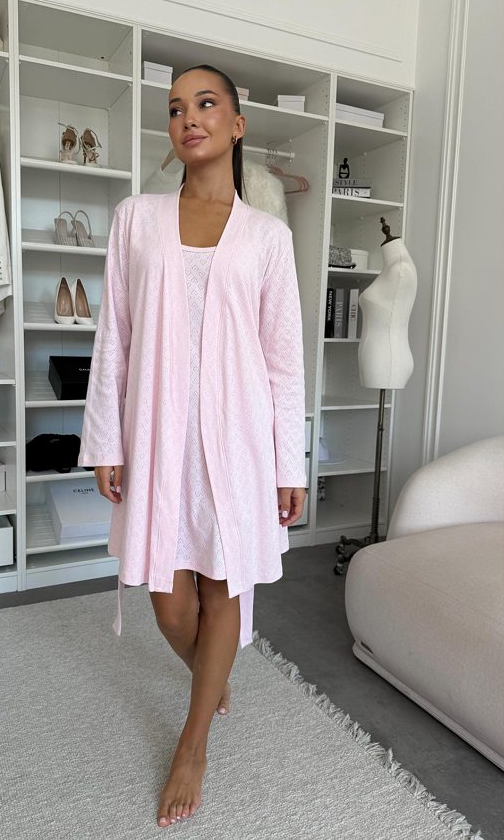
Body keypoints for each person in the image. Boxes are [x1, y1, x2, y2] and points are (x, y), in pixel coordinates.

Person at [77, 64, 307, 828]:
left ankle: (193, 741)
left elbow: (284, 363)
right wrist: (106, 439)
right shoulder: (135, 219)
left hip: (238, 443)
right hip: (158, 438)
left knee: (221, 589)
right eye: (176, 108)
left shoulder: (268, 238)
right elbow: (114, 336)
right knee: (171, 607)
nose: (189, 118)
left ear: (237, 126)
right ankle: (212, 673)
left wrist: (290, 463)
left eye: (206, 104)